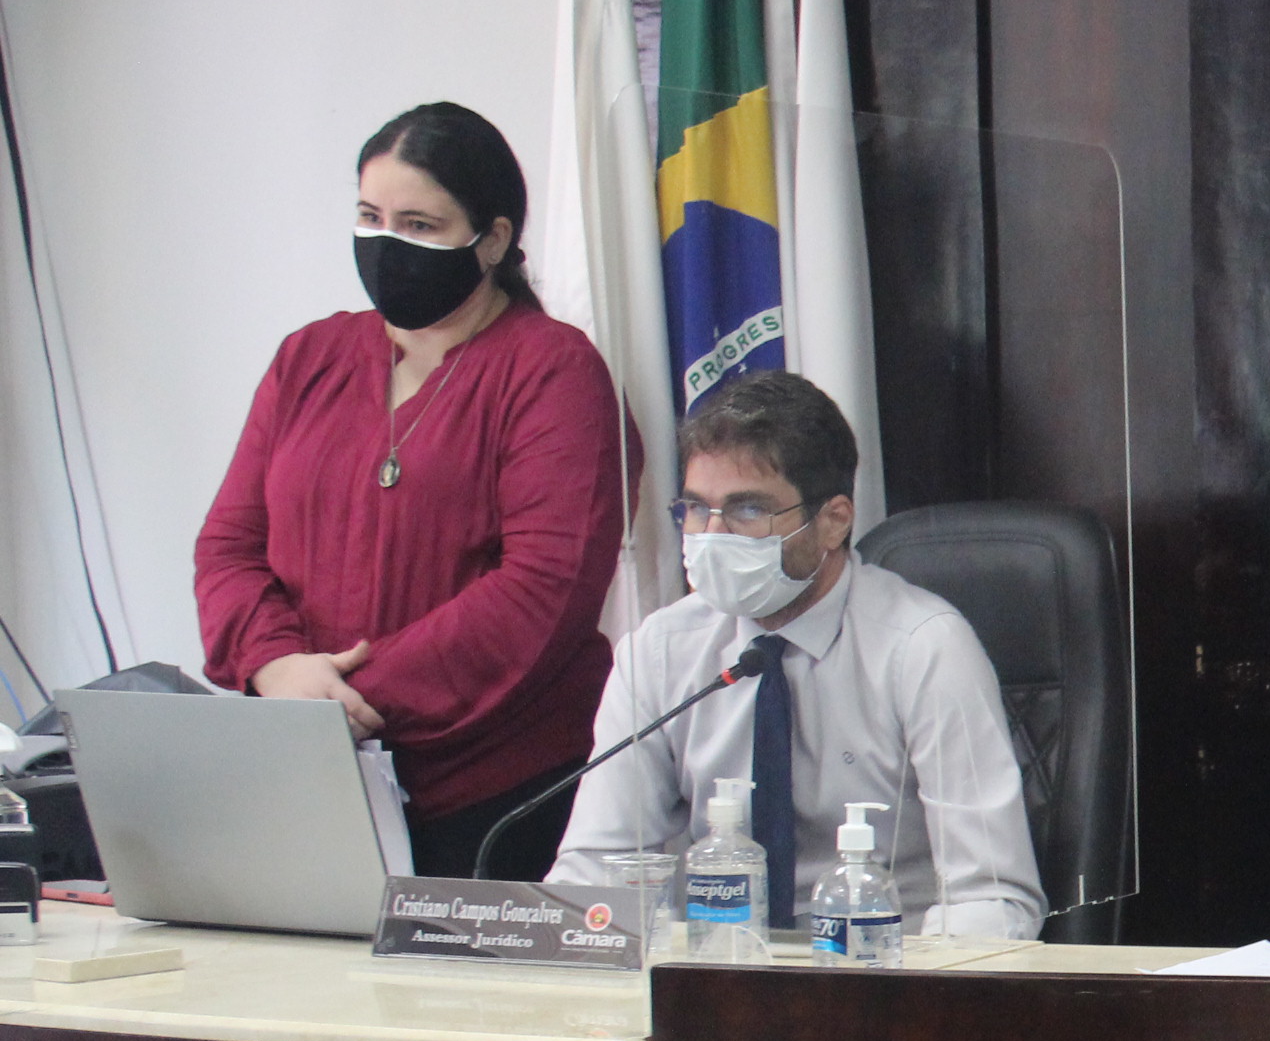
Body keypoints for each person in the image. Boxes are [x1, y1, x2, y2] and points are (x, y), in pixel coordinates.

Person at [196, 103, 626, 876]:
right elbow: (229, 546)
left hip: (498, 793)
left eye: (419, 225)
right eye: (370, 218)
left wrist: (339, 701)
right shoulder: (308, 357)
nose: (386, 244)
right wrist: (274, 666)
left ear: (492, 239)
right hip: (317, 778)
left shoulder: (555, 373)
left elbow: (544, 591)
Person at [549, 371, 1045, 939]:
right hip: (716, 967)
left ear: (833, 521)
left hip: (885, 965)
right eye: (696, 508)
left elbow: (991, 897)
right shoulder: (660, 652)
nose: (712, 535)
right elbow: (595, 872)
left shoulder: (925, 648)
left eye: (747, 510)